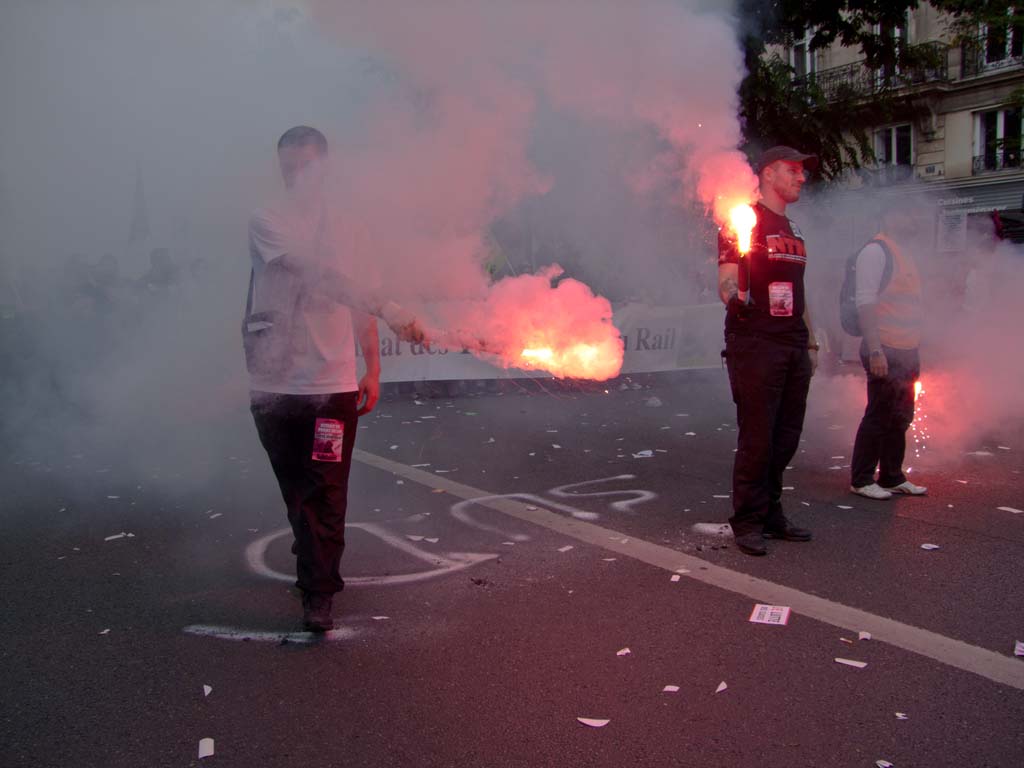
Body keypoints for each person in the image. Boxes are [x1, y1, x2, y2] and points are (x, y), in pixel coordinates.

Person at [246, 125, 426, 631]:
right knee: (296, 492)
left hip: (332, 388)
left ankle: (319, 592)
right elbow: (312, 271)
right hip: (275, 386)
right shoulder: (268, 219)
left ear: (326, 168)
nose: (296, 176)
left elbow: (357, 303)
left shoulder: (352, 229)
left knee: (327, 491)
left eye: (306, 166)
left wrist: (372, 367)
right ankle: (312, 560)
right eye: (288, 167)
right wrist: (389, 307)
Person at [718, 146, 819, 556]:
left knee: (786, 435)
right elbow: (726, 280)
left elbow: (800, 290)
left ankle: (771, 512)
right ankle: (746, 520)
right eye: (793, 171)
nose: (802, 178)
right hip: (755, 340)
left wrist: (811, 340)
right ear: (769, 173)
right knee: (758, 435)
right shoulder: (741, 219)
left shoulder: (793, 228)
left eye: (802, 171)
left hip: (792, 341)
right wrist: (735, 298)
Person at [849, 202, 927, 499]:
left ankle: (892, 476)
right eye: (903, 211)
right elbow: (865, 303)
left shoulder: (904, 252)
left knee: (902, 415)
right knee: (879, 414)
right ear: (887, 216)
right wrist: (875, 350)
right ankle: (861, 478)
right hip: (885, 347)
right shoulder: (875, 251)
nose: (909, 218)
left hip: (907, 349)